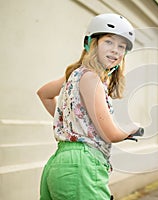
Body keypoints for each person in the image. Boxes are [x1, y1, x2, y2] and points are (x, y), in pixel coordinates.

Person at [37, 13, 139, 200]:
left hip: (59, 163)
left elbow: (44, 94)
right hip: (81, 167)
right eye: (109, 42)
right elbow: (110, 134)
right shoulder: (91, 78)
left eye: (122, 46)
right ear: (91, 43)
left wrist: (74, 121)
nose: (116, 50)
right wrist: (132, 129)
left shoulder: (75, 74)